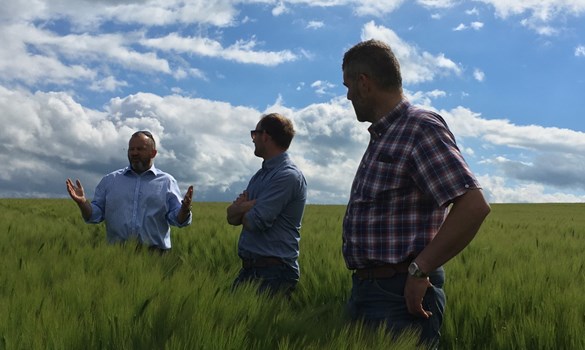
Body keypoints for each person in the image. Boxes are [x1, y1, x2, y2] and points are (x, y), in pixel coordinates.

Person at [341, 39, 491, 347]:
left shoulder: (418, 126)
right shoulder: (386, 135)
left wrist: (419, 269)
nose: (347, 96)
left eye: (348, 86)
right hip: (371, 291)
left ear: (364, 83)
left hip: (398, 296)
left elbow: (473, 206)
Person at [66, 130, 193, 253]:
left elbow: (177, 219)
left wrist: (185, 209)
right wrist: (82, 202)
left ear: (153, 153)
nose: (134, 153)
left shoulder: (167, 182)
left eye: (140, 149)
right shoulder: (110, 180)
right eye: (131, 149)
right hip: (116, 255)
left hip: (156, 256)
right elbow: (95, 215)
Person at [226, 113, 307, 297]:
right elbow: (231, 217)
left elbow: (255, 222)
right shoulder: (260, 176)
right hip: (252, 270)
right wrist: (243, 208)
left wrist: (241, 211)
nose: (253, 140)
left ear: (265, 136)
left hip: (274, 272)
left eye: (254, 134)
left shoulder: (287, 176)